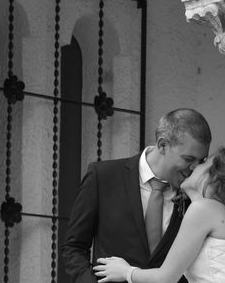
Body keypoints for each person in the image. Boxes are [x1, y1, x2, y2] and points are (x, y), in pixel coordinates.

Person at [61, 108, 212, 283]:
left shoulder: (197, 195)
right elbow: (74, 247)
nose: (195, 168)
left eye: (201, 161)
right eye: (188, 159)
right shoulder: (103, 176)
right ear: (163, 145)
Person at [92, 147, 225, 283]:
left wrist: (126, 272)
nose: (193, 167)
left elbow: (166, 278)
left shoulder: (204, 209)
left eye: (203, 164)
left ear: (213, 177)